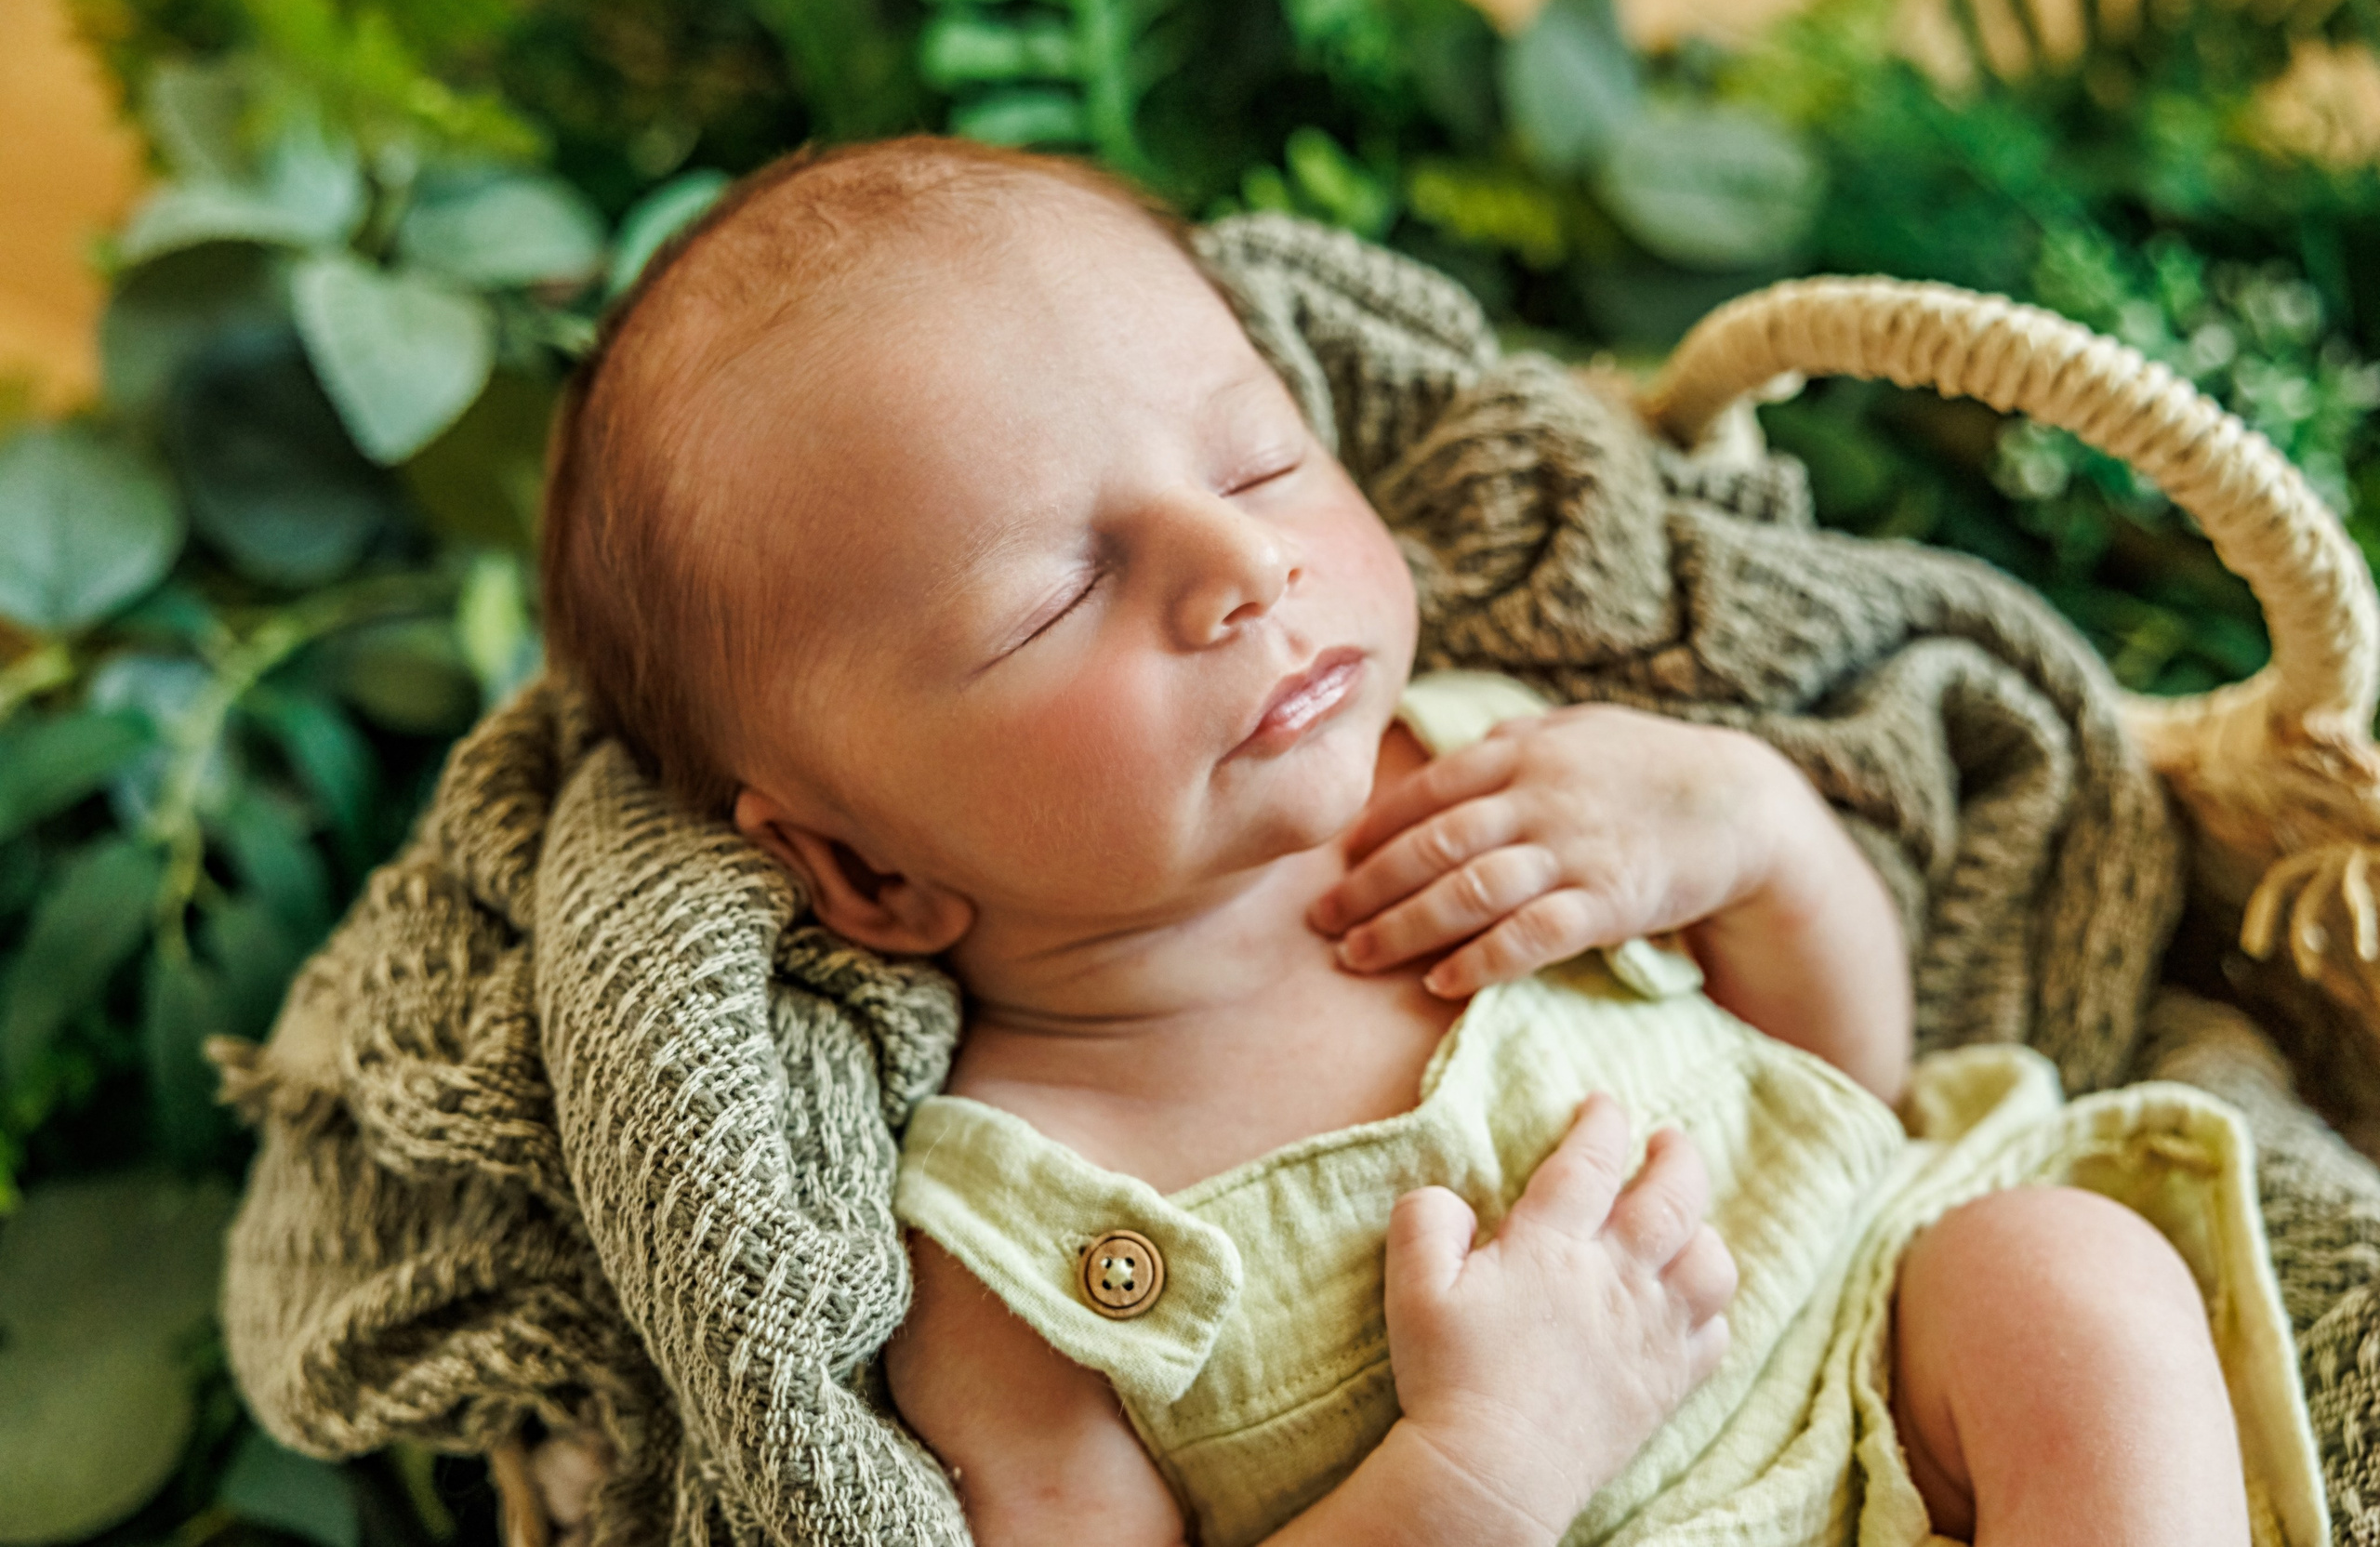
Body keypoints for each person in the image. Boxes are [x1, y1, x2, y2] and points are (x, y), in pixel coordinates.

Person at [538, 133, 2299, 1547]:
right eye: (1057, 592)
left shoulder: (1508, 775)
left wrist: (1757, 836)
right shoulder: (1008, 1235)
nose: (1244, 572)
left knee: (2060, 1272)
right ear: (867, 872)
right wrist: (1485, 1465)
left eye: (1254, 468)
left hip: (1883, 1393)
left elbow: (1848, 1099)